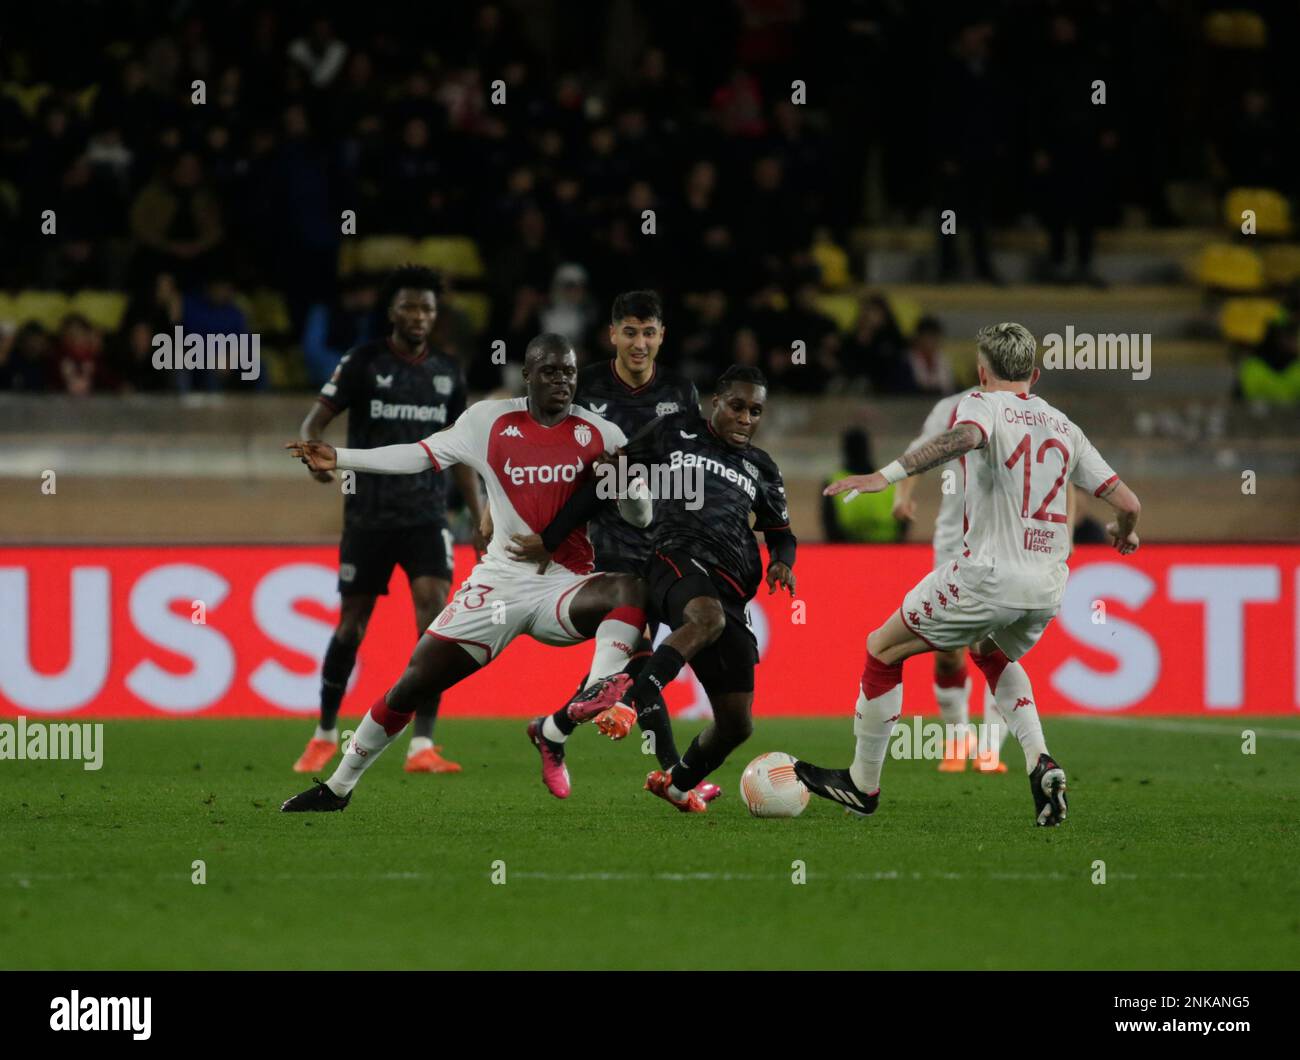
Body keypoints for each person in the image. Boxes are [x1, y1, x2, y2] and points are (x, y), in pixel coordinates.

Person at [280, 334, 653, 811]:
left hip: (565, 586)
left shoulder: (603, 434)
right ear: (527, 375)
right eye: (550, 372)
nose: (562, 382)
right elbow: (422, 452)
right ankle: (338, 787)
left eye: (570, 373)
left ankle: (597, 690)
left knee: (632, 589)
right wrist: (344, 457)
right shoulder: (487, 421)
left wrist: (626, 485)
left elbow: (640, 516)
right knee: (412, 684)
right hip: (499, 583)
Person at [798, 323, 1141, 826]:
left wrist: (886, 476)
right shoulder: (1065, 427)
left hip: (987, 576)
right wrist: (1123, 531)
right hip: (1047, 585)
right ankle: (1040, 759)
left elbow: (963, 438)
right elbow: (1128, 502)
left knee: (881, 648)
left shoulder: (981, 404)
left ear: (982, 371)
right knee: (989, 650)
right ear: (1036, 374)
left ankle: (861, 784)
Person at [515, 365, 797, 814]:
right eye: (738, 406)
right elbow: (607, 481)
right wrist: (552, 538)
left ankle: (676, 782)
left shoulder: (761, 466)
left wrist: (783, 560)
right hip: (673, 560)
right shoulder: (674, 432)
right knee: (703, 619)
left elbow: (780, 531)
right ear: (716, 403)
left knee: (737, 724)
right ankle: (631, 700)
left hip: (731, 590)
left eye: (755, 411)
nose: (746, 418)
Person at [290, 265, 482, 778]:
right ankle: (326, 733)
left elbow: (461, 452)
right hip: (369, 517)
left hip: (426, 514)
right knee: (352, 625)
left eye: (427, 309)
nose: (419, 316)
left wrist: (480, 516)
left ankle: (422, 745)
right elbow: (315, 420)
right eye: (409, 307)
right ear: (392, 311)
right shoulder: (362, 362)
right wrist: (312, 451)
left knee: (435, 620)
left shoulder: (447, 371)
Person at [518, 290, 707, 795]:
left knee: (625, 666)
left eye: (648, 333)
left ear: (661, 336)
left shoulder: (682, 392)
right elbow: (551, 450)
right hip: (605, 540)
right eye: (630, 332)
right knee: (638, 653)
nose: (639, 343)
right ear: (613, 335)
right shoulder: (588, 386)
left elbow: (688, 467)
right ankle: (676, 775)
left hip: (663, 537)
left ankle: (551, 729)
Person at [889, 385, 1004, 772]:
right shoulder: (954, 407)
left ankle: (990, 748)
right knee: (948, 648)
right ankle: (958, 739)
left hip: (1005, 545)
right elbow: (920, 451)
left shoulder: (1033, 412)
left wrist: (1065, 529)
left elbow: (1063, 471)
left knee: (992, 645)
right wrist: (902, 496)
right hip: (954, 543)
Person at [821, 428, 905, 543]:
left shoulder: (834, 482)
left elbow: (829, 526)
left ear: (845, 450)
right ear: (868, 449)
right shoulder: (890, 479)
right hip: (888, 549)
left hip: (850, 552)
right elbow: (904, 521)